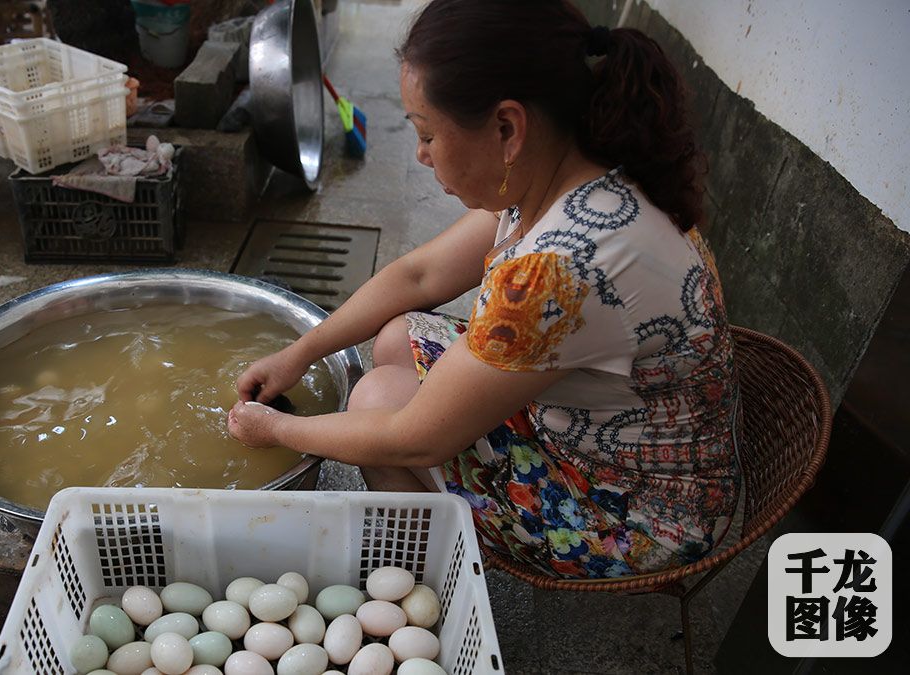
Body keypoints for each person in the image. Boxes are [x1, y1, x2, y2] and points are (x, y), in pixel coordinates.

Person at [227, 0, 739, 580]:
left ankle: (414, 587)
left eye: (427, 135)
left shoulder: (558, 267)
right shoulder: (572, 167)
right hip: (601, 422)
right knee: (398, 338)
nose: (420, 155)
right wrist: (299, 353)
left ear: (506, 128)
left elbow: (415, 439)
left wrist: (278, 430)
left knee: (379, 404)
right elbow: (417, 277)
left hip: (637, 510)